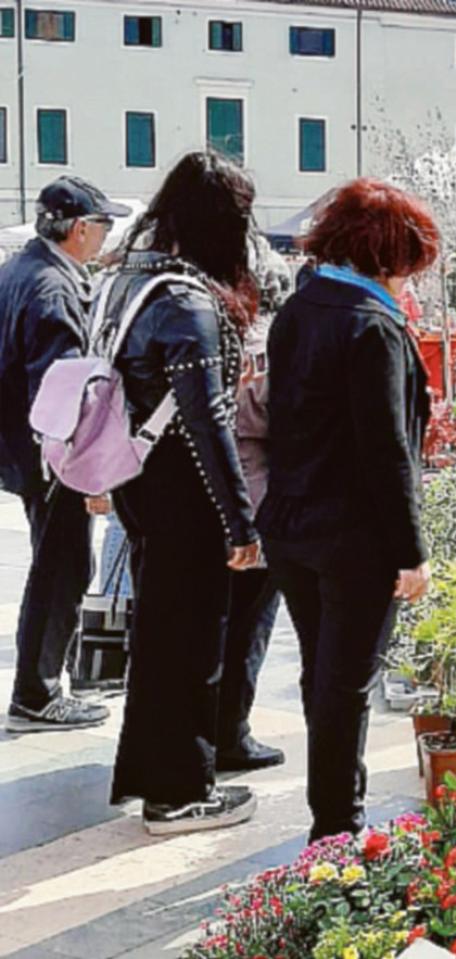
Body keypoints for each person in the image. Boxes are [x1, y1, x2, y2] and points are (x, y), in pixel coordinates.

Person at [257, 178, 436, 842]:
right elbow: (386, 449)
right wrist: (412, 552)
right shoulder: (372, 325)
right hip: (353, 536)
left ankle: (330, 815)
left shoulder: (300, 309)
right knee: (345, 683)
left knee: (323, 676)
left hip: (293, 523)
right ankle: (336, 829)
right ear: (387, 254)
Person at [102, 151, 261, 834]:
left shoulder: (130, 280)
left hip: (141, 483)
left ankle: (152, 774)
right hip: (181, 492)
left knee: (160, 637)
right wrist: (241, 523)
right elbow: (208, 419)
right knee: (194, 642)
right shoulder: (187, 298)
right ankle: (181, 791)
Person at [0, 177, 131, 732]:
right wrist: (85, 474)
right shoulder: (52, 287)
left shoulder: (19, 270)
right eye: (102, 226)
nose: (104, 237)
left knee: (54, 562)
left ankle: (46, 678)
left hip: (22, 449)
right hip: (47, 457)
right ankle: (38, 690)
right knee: (62, 567)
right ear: (80, 229)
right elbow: (60, 392)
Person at [214, 235, 292, 773]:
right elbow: (265, 416)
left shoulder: (209, 326)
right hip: (254, 500)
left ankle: (214, 727)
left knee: (223, 623)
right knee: (248, 624)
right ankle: (230, 733)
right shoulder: (259, 345)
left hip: (216, 497)